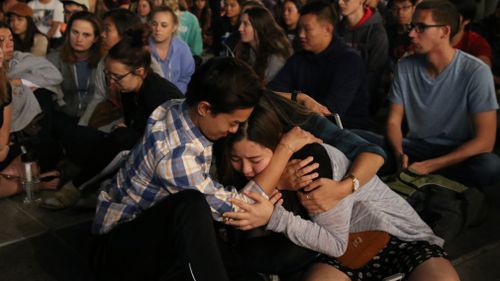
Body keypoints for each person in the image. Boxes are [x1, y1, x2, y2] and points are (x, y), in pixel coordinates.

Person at [90, 56, 322, 281]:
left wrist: (298, 98)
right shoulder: (176, 156)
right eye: (233, 123)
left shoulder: (180, 107)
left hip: (153, 234)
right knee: (191, 205)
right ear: (204, 108)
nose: (234, 131)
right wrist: (284, 151)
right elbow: (239, 210)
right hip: (118, 253)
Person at [219, 93, 460, 281]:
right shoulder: (239, 171)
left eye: (255, 160)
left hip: (391, 235)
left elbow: (374, 153)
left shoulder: (310, 161)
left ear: (279, 143)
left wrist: (275, 216)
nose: (246, 170)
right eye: (236, 160)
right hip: (335, 255)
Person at [354, 0, 500, 187]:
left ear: (444, 31)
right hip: (415, 147)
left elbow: (485, 141)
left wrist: (430, 166)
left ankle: (428, 176)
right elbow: (393, 121)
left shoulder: (476, 71)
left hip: (457, 153)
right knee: (357, 137)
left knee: (490, 166)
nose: (412, 33)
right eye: (413, 26)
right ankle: (411, 171)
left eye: (421, 27)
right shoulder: (405, 66)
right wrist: (399, 155)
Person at [41, 24, 183, 209]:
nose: (112, 82)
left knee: (122, 141)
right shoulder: (129, 88)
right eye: (109, 75)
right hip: (140, 143)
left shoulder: (158, 94)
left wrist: (131, 132)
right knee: (77, 134)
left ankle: (74, 189)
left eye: (116, 77)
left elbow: (161, 139)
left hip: (167, 155)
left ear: (139, 71)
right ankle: (97, 188)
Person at [268, 1, 372, 130]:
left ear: (327, 29)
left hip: (348, 131)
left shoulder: (349, 61)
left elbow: (329, 112)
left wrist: (294, 101)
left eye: (307, 29)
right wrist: (299, 98)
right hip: (305, 126)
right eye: (299, 29)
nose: (301, 35)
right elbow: (271, 93)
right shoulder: (298, 59)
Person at [336, 0, 390, 114]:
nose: (340, 2)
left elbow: (374, 77)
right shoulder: (336, 28)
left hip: (363, 103)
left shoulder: (377, 33)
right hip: (336, 95)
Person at [47, 11, 102, 120]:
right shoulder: (54, 57)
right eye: (75, 32)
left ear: (95, 38)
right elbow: (52, 95)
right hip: (62, 117)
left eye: (86, 35)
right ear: (68, 33)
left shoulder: (103, 61)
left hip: (95, 119)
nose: (79, 39)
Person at [235, 6, 292, 83]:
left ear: (259, 26)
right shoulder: (246, 48)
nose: (240, 28)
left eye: (245, 24)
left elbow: (270, 88)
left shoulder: (276, 55)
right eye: (240, 23)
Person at [148, 6, 195, 93]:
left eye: (164, 25)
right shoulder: (143, 48)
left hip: (177, 98)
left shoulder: (182, 48)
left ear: (174, 27)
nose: (158, 29)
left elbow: (187, 77)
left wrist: (172, 94)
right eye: (154, 24)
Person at [450, 0, 492, 67]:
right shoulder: (433, 34)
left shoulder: (476, 42)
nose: (445, 20)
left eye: (452, 17)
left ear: (466, 21)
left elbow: (483, 68)